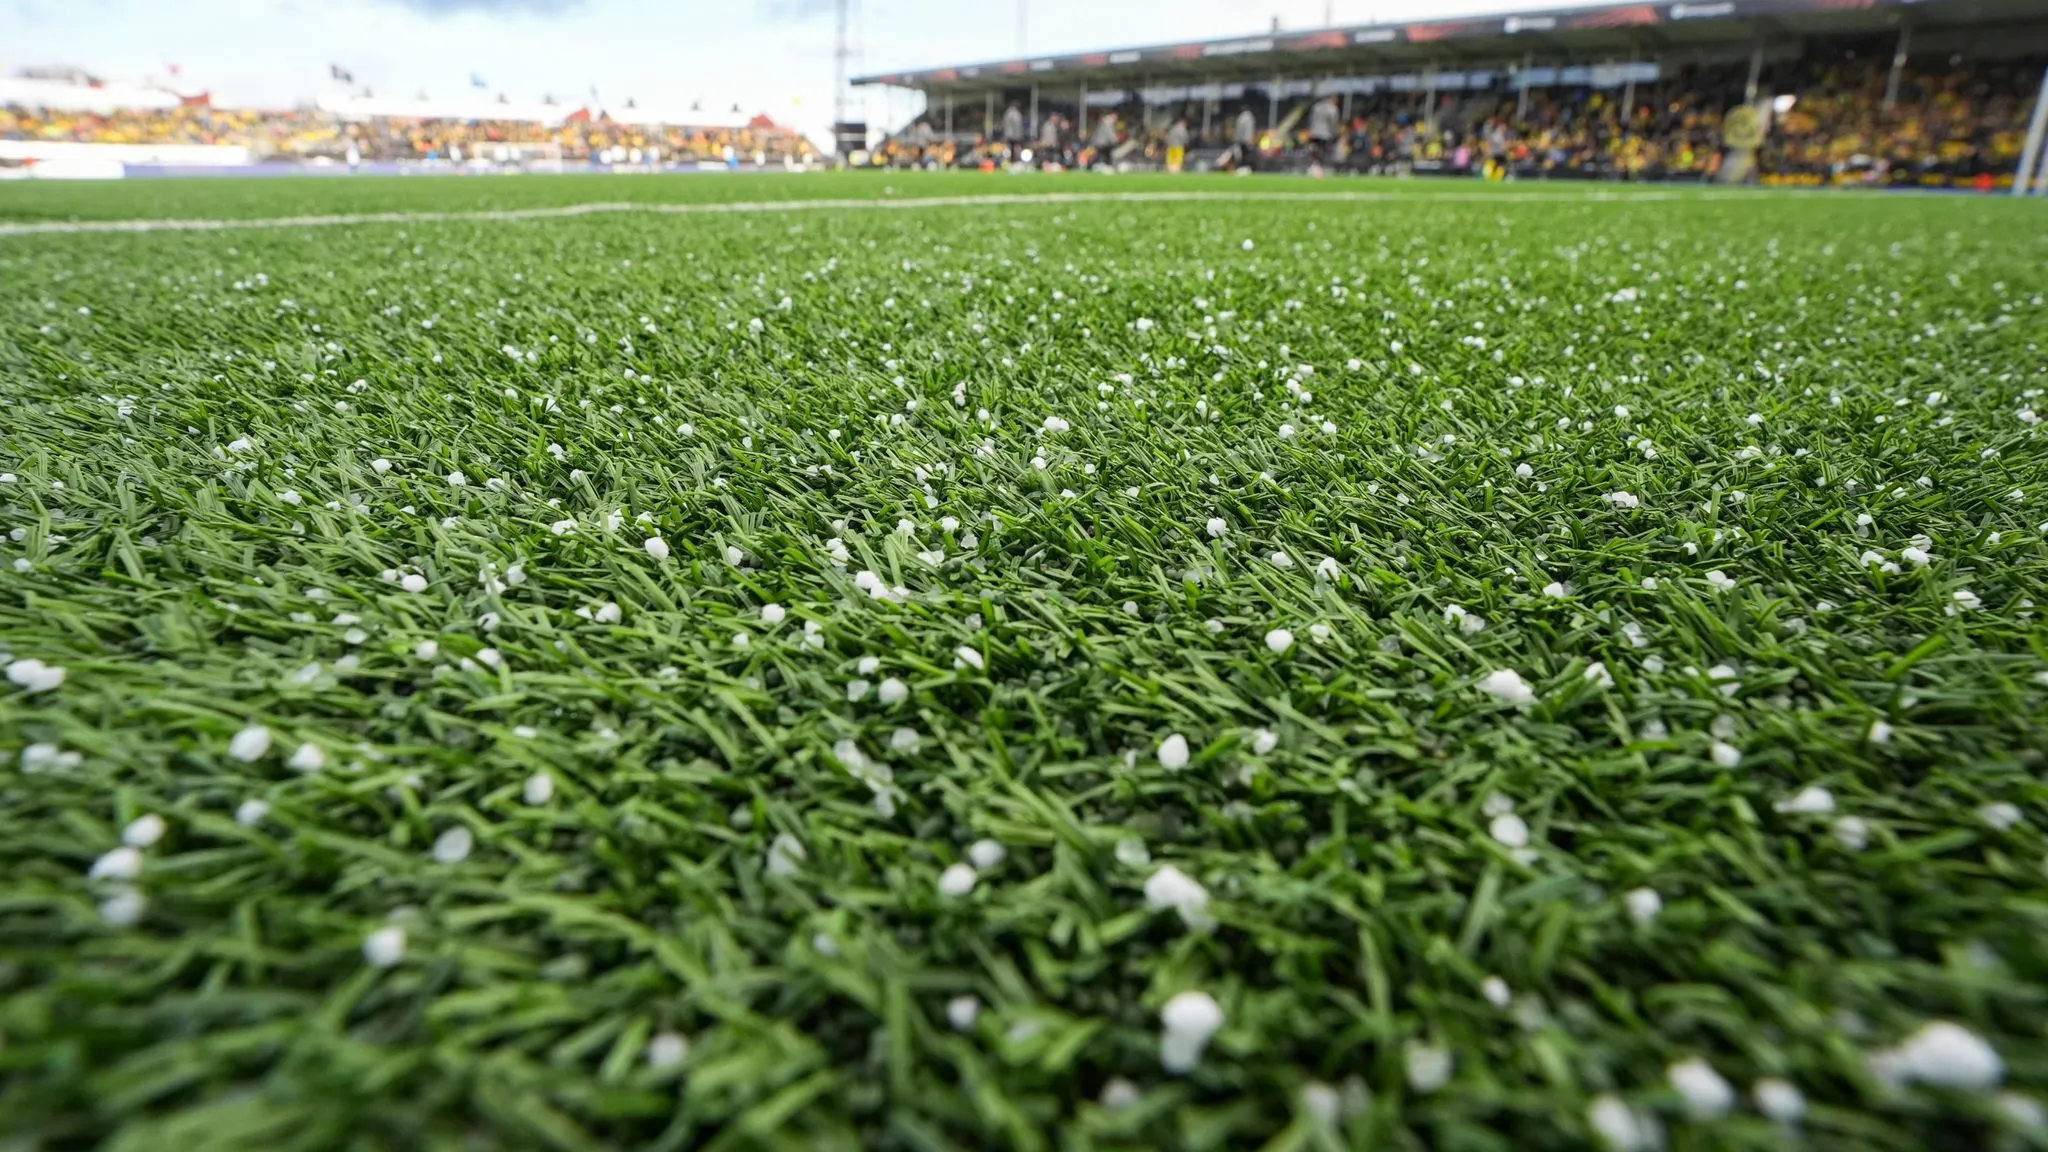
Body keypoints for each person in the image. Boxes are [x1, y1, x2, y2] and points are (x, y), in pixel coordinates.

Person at [1307, 95, 1338, 176]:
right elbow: (1333, 122)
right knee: (1324, 151)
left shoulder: (1316, 107)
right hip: (1325, 134)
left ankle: (1314, 166)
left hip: (1314, 132)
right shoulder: (1332, 109)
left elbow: (1311, 119)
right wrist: (1334, 132)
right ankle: (1322, 167)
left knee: (1315, 150)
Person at [1233, 105, 1257, 172]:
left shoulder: (1241, 118)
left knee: (1243, 155)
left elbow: (1239, 130)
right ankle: (1247, 168)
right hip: (1246, 140)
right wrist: (1250, 139)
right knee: (1247, 154)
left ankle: (1244, 167)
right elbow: (1249, 130)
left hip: (1241, 140)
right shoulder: (1249, 117)